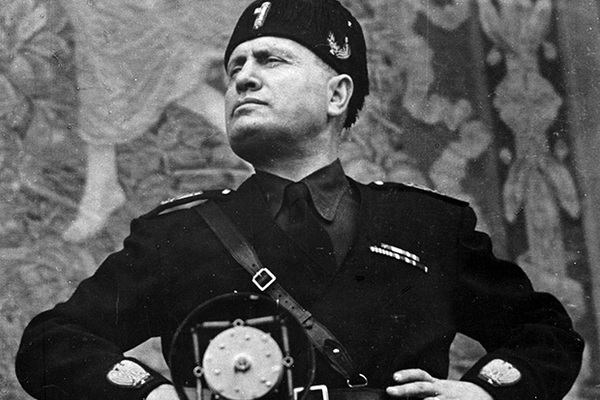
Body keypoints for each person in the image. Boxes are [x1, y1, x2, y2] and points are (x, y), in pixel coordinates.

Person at [16, 1, 583, 400]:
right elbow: (51, 343)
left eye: (271, 60)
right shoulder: (177, 234)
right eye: (235, 67)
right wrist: (151, 395)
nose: (243, 79)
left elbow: (547, 334)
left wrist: (483, 392)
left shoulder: (425, 225)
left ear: (337, 94)